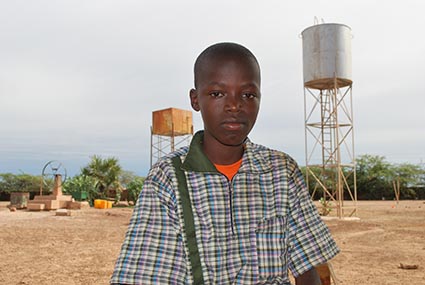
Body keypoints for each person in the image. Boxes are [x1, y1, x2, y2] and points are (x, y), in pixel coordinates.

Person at [111, 42, 339, 285]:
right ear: (195, 99)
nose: (234, 105)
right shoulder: (168, 178)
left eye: (248, 95)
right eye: (218, 94)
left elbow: (308, 269)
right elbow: (146, 274)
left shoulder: (281, 172)